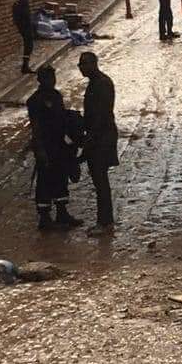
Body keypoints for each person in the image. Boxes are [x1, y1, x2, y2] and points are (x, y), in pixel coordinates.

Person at [26, 66, 83, 230]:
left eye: (52, 77)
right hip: (45, 145)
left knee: (61, 178)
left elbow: (62, 119)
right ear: (40, 79)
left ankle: (62, 212)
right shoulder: (35, 101)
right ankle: (44, 217)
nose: (51, 81)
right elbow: (35, 128)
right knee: (45, 180)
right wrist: (40, 150)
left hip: (60, 145)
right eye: (47, 78)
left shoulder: (56, 96)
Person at [78, 52, 118, 235]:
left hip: (102, 137)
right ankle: (105, 220)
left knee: (100, 179)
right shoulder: (97, 83)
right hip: (101, 135)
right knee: (99, 179)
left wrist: (90, 139)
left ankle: (105, 221)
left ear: (93, 64)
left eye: (84, 64)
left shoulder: (101, 84)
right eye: (80, 65)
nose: (81, 68)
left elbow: (100, 115)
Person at [13, 0, 35, 75]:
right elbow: (25, 17)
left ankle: (25, 65)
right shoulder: (23, 4)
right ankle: (25, 66)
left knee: (28, 46)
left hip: (24, 28)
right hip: (25, 28)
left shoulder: (20, 3)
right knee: (28, 46)